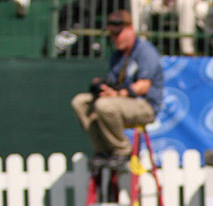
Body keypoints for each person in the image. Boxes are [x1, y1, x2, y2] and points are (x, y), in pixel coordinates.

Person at [70, 10, 164, 172]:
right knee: (80, 102)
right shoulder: (117, 55)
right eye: (112, 35)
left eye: (118, 34)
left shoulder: (144, 51)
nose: (115, 38)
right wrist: (104, 87)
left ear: (130, 29)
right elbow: (113, 82)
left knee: (105, 106)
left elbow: (143, 86)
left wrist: (118, 94)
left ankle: (122, 150)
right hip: (120, 101)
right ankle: (103, 149)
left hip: (144, 105)